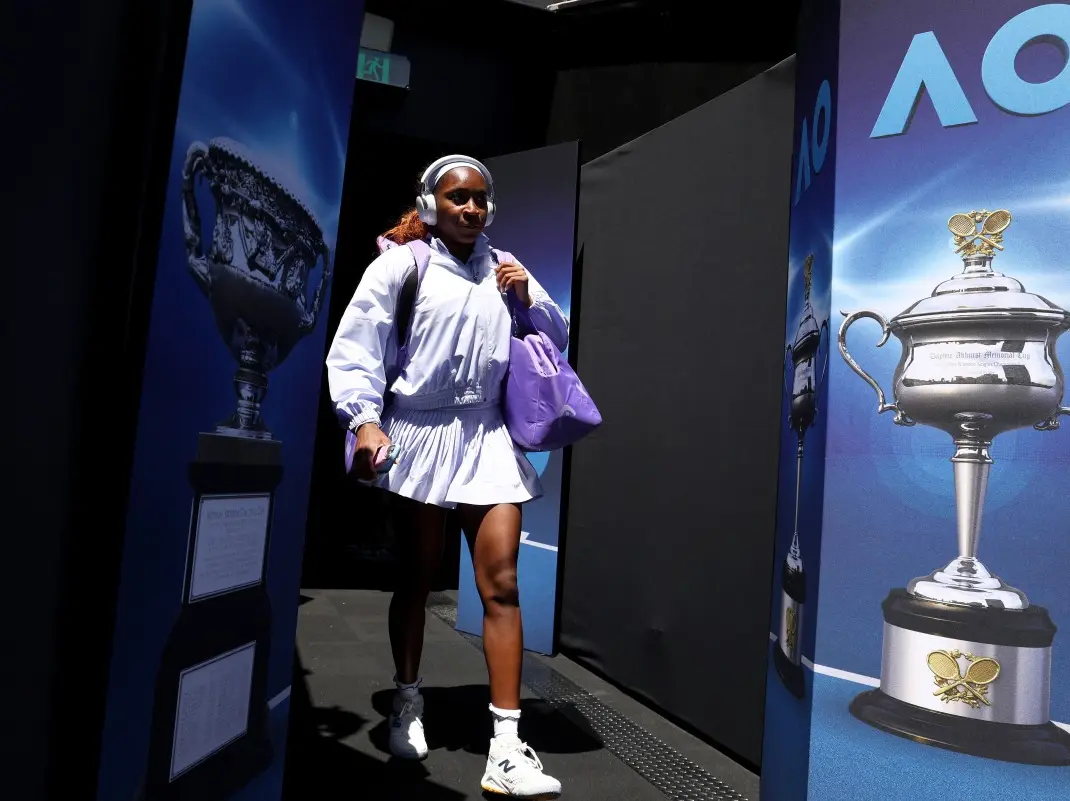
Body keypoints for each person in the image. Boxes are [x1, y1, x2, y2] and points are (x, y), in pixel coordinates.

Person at [325, 155, 569, 799]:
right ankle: (407, 700)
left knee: (503, 584)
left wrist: (526, 298)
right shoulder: (402, 264)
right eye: (458, 198)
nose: (471, 209)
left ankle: (508, 746)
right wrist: (363, 419)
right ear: (433, 203)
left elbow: (556, 335)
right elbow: (355, 348)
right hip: (419, 432)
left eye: (480, 199)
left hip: (486, 434)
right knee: (417, 573)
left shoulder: (504, 267)